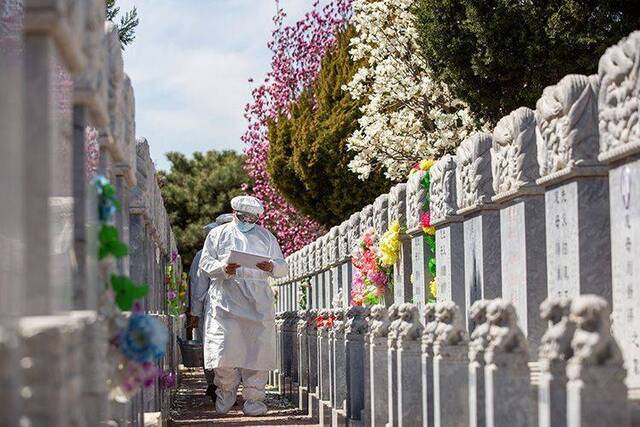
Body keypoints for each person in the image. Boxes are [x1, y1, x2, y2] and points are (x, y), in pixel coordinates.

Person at [196, 195, 288, 416]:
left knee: (257, 352)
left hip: (258, 301)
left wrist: (271, 266)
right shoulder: (217, 235)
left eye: (253, 218)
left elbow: (283, 266)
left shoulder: (266, 237)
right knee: (224, 350)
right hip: (226, 299)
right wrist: (223, 268)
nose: (249, 221)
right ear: (234, 213)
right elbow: (206, 263)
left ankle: (254, 400)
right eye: (244, 217)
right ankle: (226, 392)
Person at [188, 213, 233, 400]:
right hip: (218, 305)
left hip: (216, 306)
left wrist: (194, 312)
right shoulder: (203, 255)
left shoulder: (203, 255)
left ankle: (218, 386)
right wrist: (196, 312)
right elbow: (199, 285)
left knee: (215, 345)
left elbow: (197, 286)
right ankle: (219, 386)